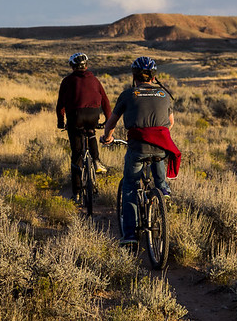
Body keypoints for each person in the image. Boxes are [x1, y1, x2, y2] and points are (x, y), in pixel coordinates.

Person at [101, 56, 181, 245]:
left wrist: (107, 137)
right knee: (158, 164)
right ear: (154, 77)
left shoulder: (128, 94)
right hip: (161, 147)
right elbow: (170, 123)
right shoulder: (164, 94)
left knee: (130, 186)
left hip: (137, 148)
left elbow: (111, 122)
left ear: (134, 76)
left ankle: (130, 236)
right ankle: (162, 191)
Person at [56, 52, 112, 202]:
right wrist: (108, 119)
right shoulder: (95, 80)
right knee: (91, 132)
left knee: (76, 155)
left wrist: (61, 122)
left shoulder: (67, 81)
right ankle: (96, 161)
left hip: (75, 117)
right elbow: (105, 101)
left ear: (72, 66)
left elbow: (60, 104)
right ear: (86, 66)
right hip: (93, 115)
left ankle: (77, 193)